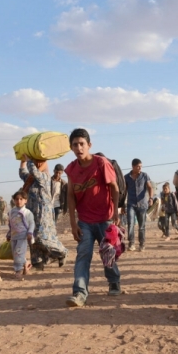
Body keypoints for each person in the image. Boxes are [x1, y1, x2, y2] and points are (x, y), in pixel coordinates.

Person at [65, 128, 122, 307]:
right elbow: (70, 196)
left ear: (89, 145)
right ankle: (80, 293)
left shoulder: (101, 163)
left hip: (105, 218)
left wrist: (115, 213)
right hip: (85, 221)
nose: (79, 147)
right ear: (71, 147)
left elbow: (114, 187)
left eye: (82, 144)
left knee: (108, 253)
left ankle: (114, 281)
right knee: (83, 254)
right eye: (75, 145)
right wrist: (73, 224)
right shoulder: (71, 169)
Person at [19, 155, 68, 270]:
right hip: (31, 213)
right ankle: (38, 261)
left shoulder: (44, 177)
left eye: (39, 163)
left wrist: (29, 159)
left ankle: (62, 252)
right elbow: (22, 172)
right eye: (36, 163)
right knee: (32, 236)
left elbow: (34, 171)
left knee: (42, 237)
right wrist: (22, 162)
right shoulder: (30, 179)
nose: (37, 164)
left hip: (43, 213)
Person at [124, 158, 153, 252]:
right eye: (138, 166)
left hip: (142, 204)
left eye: (141, 166)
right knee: (131, 224)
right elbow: (124, 191)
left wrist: (151, 198)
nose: (140, 168)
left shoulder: (145, 176)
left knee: (142, 226)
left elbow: (150, 187)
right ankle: (131, 243)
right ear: (133, 166)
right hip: (131, 204)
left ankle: (142, 244)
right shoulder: (127, 177)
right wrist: (121, 204)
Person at [6, 190, 35, 280]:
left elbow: (32, 224)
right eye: (16, 199)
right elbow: (11, 224)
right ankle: (26, 264)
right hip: (14, 237)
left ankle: (18, 271)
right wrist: (8, 234)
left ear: (25, 200)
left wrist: (30, 233)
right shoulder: (11, 212)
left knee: (18, 253)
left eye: (21, 199)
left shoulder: (27, 213)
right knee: (16, 254)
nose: (19, 201)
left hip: (23, 237)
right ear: (14, 200)